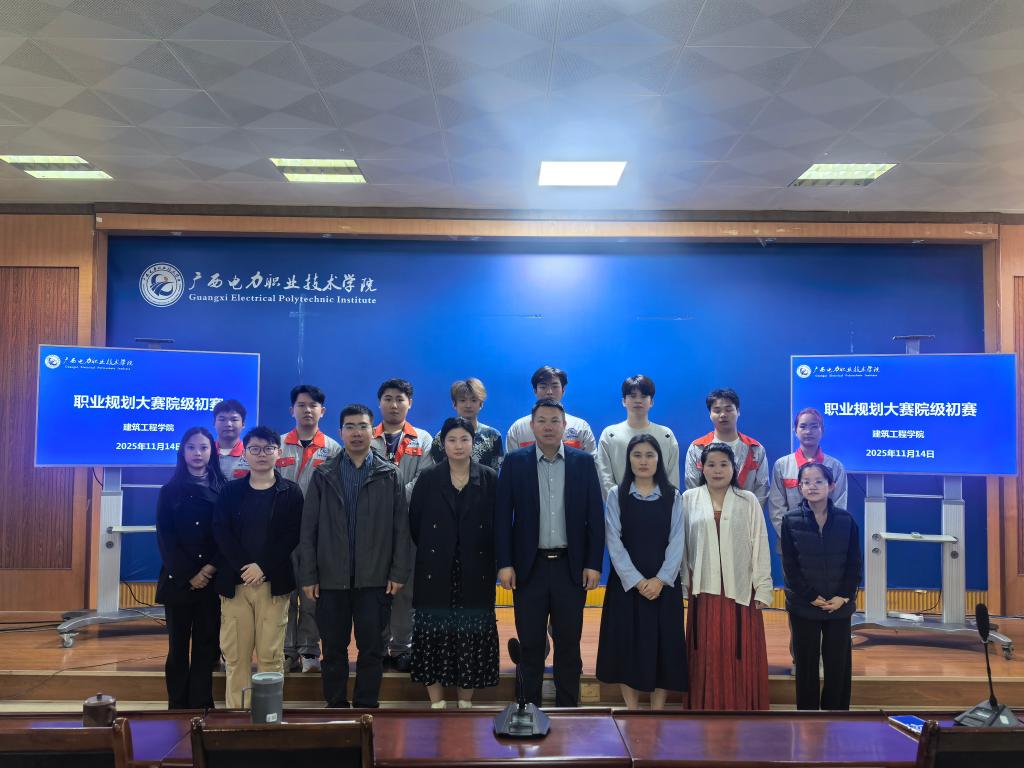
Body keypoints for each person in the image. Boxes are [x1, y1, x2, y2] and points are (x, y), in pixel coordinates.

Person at [300, 404, 412, 708]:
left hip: (375, 580)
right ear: (340, 432)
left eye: (363, 426)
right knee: (333, 649)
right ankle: (335, 706)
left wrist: (398, 572)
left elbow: (401, 529)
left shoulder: (389, 474)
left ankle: (366, 707)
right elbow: (308, 530)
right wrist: (309, 574)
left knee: (372, 649)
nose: (356, 432)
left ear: (372, 432)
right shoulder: (324, 474)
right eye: (350, 426)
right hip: (331, 580)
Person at [496, 399, 604, 707]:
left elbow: (595, 518)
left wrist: (593, 564)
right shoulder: (515, 462)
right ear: (532, 426)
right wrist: (505, 563)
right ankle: (528, 709)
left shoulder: (583, 463)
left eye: (554, 421)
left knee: (568, 643)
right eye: (541, 421)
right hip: (529, 569)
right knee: (530, 644)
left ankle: (569, 708)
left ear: (564, 426)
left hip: (571, 567)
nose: (548, 426)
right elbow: (502, 517)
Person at [410, 417, 500, 709]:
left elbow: (499, 525)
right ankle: (436, 702)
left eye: (464, 439)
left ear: (473, 443)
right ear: (443, 444)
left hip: (476, 569)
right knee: (432, 634)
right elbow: (415, 524)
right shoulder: (428, 478)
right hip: (435, 568)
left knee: (470, 636)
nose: (458, 445)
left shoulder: (489, 478)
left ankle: (465, 702)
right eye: (452, 440)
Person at [212, 426, 304, 709]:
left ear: (279, 452)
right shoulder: (230, 491)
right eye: (254, 449)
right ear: (246, 454)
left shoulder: (291, 492)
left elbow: (292, 535)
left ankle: (268, 717)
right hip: (235, 584)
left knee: (271, 656)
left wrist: (262, 566)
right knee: (236, 657)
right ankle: (237, 717)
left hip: (273, 585)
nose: (261, 454)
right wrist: (245, 567)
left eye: (268, 449)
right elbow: (221, 532)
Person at [596, 434, 686, 709]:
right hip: (626, 586)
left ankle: (657, 710)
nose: (643, 461)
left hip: (663, 586)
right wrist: (636, 581)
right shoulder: (617, 495)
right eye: (637, 455)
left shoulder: (673, 496)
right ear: (629, 460)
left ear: (659, 459)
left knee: (663, 647)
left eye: (649, 455)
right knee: (626, 646)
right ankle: (632, 710)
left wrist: (660, 580)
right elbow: (614, 541)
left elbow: (677, 541)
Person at [682, 442, 772, 710]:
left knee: (739, 647)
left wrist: (763, 586)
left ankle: (743, 705)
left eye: (724, 464)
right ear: (702, 468)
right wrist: (683, 585)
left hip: (740, 589)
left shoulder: (748, 500)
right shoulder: (688, 499)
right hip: (703, 590)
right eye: (711, 464)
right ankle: (704, 704)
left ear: (734, 468)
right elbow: (681, 546)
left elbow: (759, 542)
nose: (717, 470)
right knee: (706, 648)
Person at [781, 462, 862, 711]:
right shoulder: (790, 520)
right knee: (806, 665)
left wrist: (843, 596)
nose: (812, 487)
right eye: (806, 482)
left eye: (819, 481)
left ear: (831, 486)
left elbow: (854, 563)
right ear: (800, 487)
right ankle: (807, 716)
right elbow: (789, 566)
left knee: (838, 665)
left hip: (839, 605)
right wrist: (809, 596)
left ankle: (836, 715)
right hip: (804, 604)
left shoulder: (847, 520)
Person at [155, 426, 225, 710]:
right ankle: (177, 704)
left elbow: (228, 535)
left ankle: (202, 704)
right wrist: (189, 574)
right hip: (179, 582)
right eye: (192, 447)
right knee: (178, 646)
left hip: (212, 581)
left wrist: (209, 569)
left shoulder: (224, 488)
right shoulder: (169, 491)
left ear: (212, 452)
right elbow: (165, 538)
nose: (198, 453)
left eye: (204, 447)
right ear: (182, 452)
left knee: (206, 646)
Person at [277, 384, 341, 674]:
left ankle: (310, 650)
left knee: (313, 596)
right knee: (285, 596)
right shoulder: (277, 445)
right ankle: (287, 650)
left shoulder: (333, 449)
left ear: (322, 411)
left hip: (317, 535)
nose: (307, 410)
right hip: (283, 534)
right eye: (301, 405)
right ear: (292, 409)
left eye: (313, 405)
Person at [371, 378, 433, 673]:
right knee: (376, 589)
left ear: (410, 403)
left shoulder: (423, 439)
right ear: (379, 402)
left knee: (405, 590)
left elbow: (424, 479)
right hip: (374, 528)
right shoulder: (367, 437)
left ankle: (401, 648)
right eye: (388, 399)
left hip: (409, 526)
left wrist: (395, 499)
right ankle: (379, 646)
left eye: (400, 399)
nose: (394, 404)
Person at [769, 407, 848, 551]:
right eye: (803, 426)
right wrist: (790, 536)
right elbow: (776, 507)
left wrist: (824, 536)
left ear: (822, 430)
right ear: (795, 430)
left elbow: (839, 506)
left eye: (814, 426)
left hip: (827, 543)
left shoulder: (835, 467)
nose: (808, 431)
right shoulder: (782, 465)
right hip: (791, 544)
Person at [596, 374, 680, 500]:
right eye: (632, 396)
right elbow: (604, 478)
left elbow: (672, 478)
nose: (638, 400)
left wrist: (666, 502)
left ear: (651, 402)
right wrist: (616, 502)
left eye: (644, 396)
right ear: (624, 401)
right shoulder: (610, 435)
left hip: (660, 506)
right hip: (620, 505)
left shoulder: (666, 435)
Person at [683, 388, 769, 509]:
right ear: (710, 414)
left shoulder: (755, 449)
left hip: (746, 515)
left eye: (728, 409)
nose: (723, 415)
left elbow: (762, 489)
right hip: (707, 515)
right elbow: (693, 488)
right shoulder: (697, 448)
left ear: (738, 411)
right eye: (717, 410)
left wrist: (750, 515)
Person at [505, 366, 596, 456]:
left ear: (563, 390)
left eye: (555, 386)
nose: (549, 392)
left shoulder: (580, 427)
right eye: (543, 387)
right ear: (535, 391)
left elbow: (591, 463)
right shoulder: (518, 429)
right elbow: (511, 463)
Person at [429, 378, 504, 471]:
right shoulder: (441, 437)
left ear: (481, 404)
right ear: (454, 404)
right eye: (463, 400)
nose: (468, 405)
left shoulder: (493, 436)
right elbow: (436, 471)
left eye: (473, 400)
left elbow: (496, 472)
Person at [213, 399, 250, 479]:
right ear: (214, 423)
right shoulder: (205, 451)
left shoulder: (251, 454)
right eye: (222, 419)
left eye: (234, 420)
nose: (228, 424)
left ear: (243, 424)